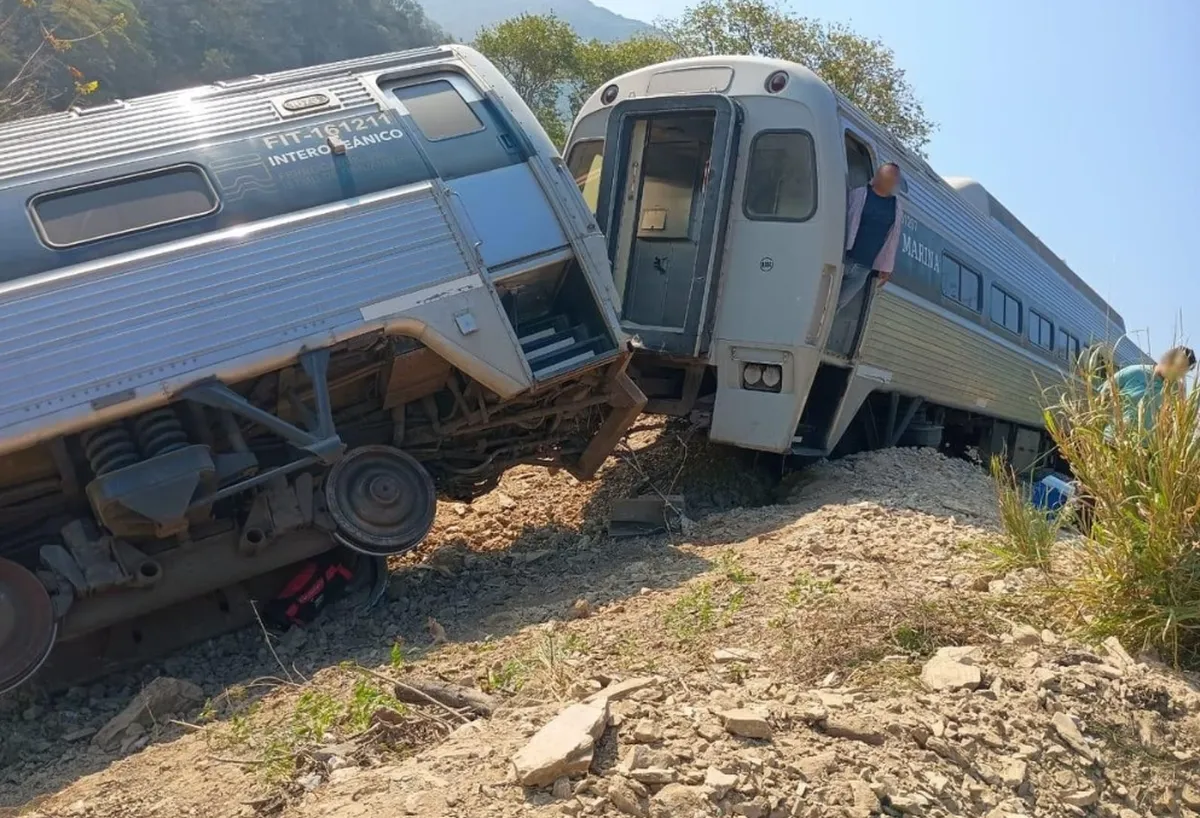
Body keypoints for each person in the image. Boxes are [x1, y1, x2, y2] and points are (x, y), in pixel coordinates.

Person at [837, 162, 904, 313]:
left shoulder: (896, 207)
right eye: (888, 178)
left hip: (863, 267)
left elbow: (892, 238)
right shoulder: (858, 194)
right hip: (842, 256)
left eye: (893, 180)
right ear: (878, 177)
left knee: (837, 305)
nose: (891, 182)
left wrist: (886, 267)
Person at [1106, 345, 1196, 439]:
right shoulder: (1134, 372)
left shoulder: (1176, 390)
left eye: (1181, 370)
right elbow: (1101, 396)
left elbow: (1176, 422)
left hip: (1145, 449)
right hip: (1113, 439)